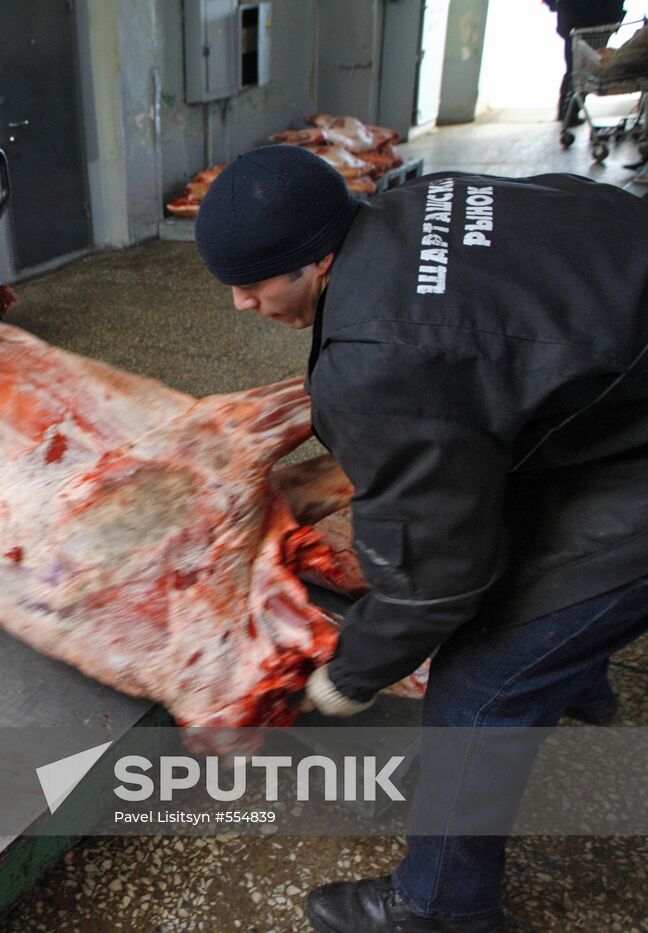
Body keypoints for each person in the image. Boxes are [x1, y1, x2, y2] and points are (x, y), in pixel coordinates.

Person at [194, 145, 648, 932]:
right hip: (618, 364)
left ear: (316, 260)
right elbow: (472, 380)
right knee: (533, 547)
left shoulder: (374, 357)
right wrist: (336, 471)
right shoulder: (415, 205)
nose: (240, 304)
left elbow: (436, 575)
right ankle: (578, 677)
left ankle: (441, 906)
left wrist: (353, 670)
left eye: (253, 283)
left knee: (482, 680)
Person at [544, 0, 626, 125]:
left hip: (575, 20)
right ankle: (569, 112)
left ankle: (568, 112)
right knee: (584, 68)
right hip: (597, 20)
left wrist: (555, 6)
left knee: (576, 68)